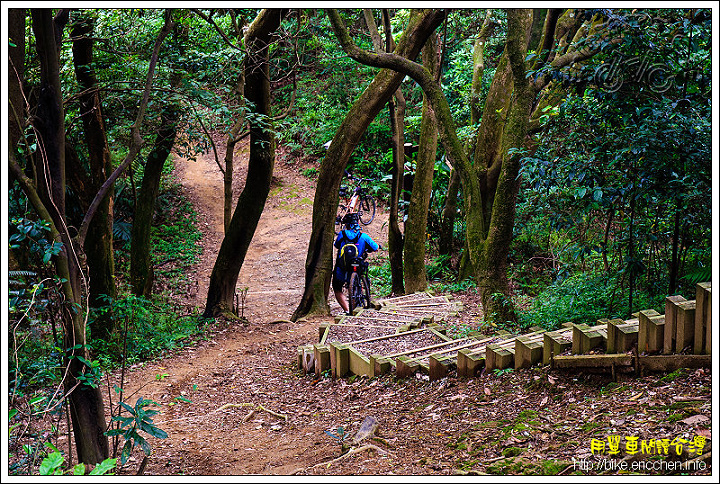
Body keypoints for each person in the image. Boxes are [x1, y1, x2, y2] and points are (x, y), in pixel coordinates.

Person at [332, 212, 379, 314]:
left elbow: (336, 245)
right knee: (360, 275)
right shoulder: (363, 236)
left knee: (337, 288)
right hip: (357, 265)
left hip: (342, 266)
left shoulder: (342, 234)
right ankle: (359, 299)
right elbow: (375, 248)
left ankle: (347, 310)